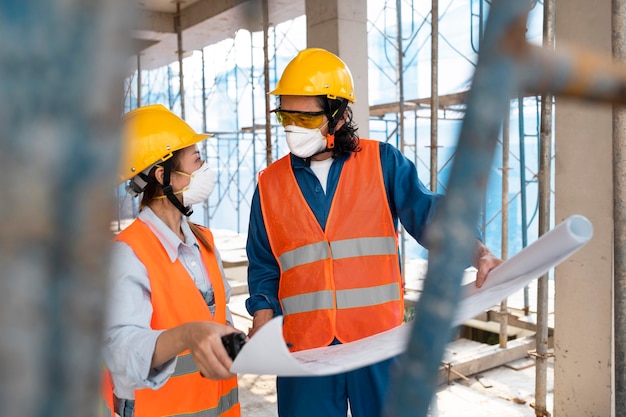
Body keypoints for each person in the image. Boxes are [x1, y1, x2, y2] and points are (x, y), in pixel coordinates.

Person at [244, 48, 503, 417]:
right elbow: (263, 263)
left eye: (305, 116)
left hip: (377, 343)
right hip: (305, 350)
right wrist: (262, 321)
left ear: (340, 115)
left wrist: (478, 252)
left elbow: (431, 216)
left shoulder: (383, 162)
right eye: (286, 114)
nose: (292, 126)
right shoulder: (269, 184)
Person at [101, 104, 242, 417]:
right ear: (163, 175)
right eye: (196, 160)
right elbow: (122, 352)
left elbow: (221, 318)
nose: (204, 169)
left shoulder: (204, 242)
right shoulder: (129, 253)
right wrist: (187, 335)